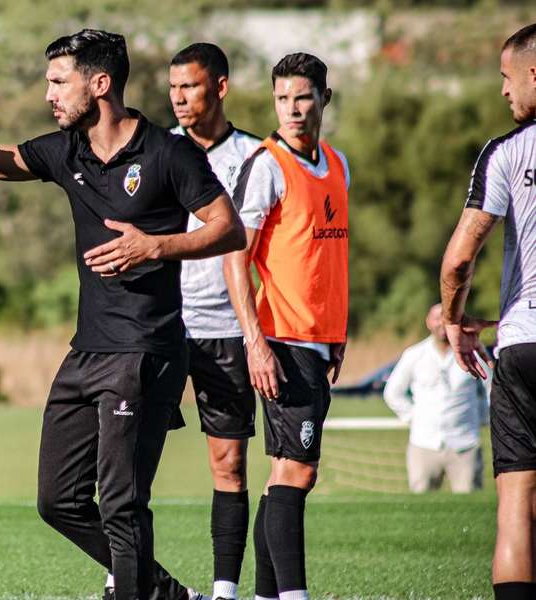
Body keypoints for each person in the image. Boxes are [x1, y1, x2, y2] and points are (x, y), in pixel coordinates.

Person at [0, 29, 245, 600]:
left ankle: (137, 592)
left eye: (58, 81)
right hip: (87, 350)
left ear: (100, 84)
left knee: (121, 502)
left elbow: (229, 228)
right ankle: (167, 594)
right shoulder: (65, 150)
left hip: (145, 350)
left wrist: (155, 245)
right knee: (58, 501)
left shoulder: (169, 154)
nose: (48, 93)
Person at [228, 53, 349, 600]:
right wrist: (256, 343)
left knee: (288, 473)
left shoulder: (339, 164)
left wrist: (336, 335)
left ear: (325, 97)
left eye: (302, 97)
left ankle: (264, 596)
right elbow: (236, 258)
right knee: (296, 474)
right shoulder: (267, 164)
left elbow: (329, 259)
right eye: (282, 99)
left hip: (317, 343)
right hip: (281, 340)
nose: (293, 109)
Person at [439, 22, 536, 600]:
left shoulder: (506, 152)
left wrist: (455, 320)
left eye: (506, 77)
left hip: (523, 347)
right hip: (518, 329)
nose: (503, 91)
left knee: (517, 501)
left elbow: (458, 261)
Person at [168, 43, 260, 600]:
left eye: (191, 87)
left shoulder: (253, 156)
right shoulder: (155, 148)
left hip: (226, 329)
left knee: (228, 462)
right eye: (173, 88)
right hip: (161, 326)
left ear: (220, 88)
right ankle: (121, 577)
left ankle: (224, 589)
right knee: (131, 457)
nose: (179, 99)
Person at [383, 303, 489, 493]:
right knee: (421, 510)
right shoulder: (414, 354)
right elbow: (393, 392)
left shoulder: (473, 353)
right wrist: (413, 417)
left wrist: (481, 417)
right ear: (428, 322)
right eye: (437, 317)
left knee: (469, 508)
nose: (442, 323)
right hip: (423, 444)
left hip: (465, 444)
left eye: (447, 317)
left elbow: (492, 389)